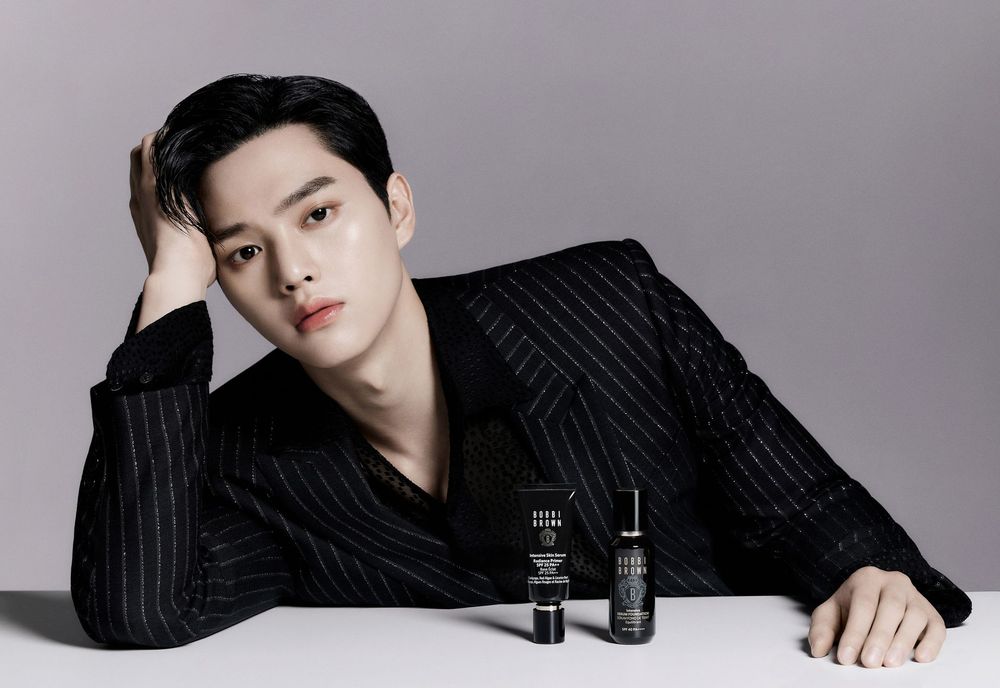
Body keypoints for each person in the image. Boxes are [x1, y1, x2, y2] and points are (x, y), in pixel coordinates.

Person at [71, 74, 971, 661]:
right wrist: (169, 284)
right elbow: (141, 611)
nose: (292, 271)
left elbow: (802, 504)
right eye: (240, 253)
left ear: (396, 208)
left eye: (317, 215)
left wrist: (872, 574)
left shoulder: (610, 304)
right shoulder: (239, 455)